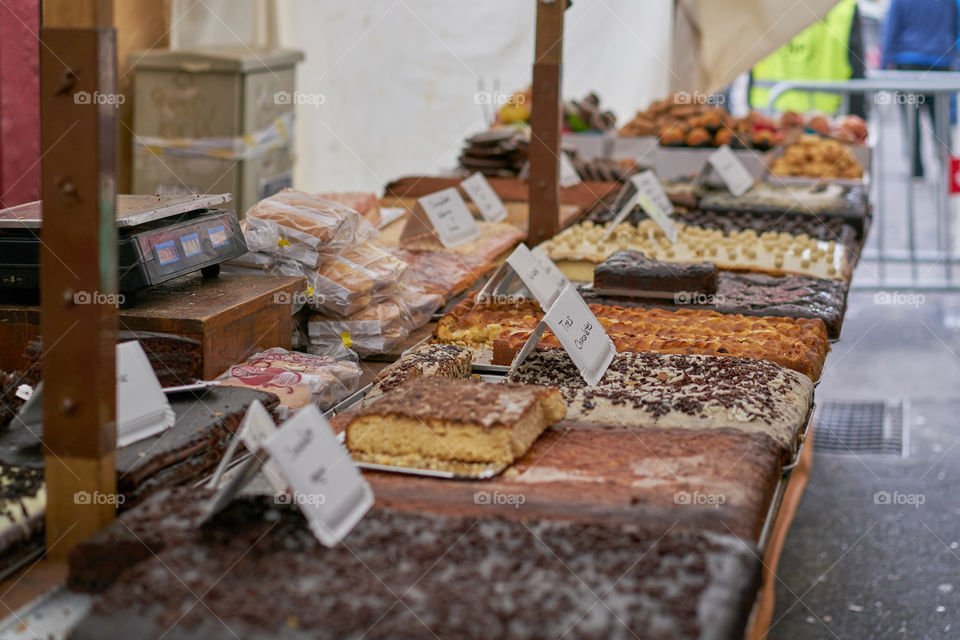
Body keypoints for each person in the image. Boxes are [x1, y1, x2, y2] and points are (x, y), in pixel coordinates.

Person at [750, 0, 866, 117]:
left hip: (768, 115)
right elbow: (857, 79)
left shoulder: (763, 4)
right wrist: (858, 120)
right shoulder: (844, 7)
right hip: (825, 118)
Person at [881, 0, 958, 177]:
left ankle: (916, 170)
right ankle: (948, 171)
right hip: (940, 64)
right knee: (941, 119)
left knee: (911, 120)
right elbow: (955, 28)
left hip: (908, 66)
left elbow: (891, 30)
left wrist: (884, 65)